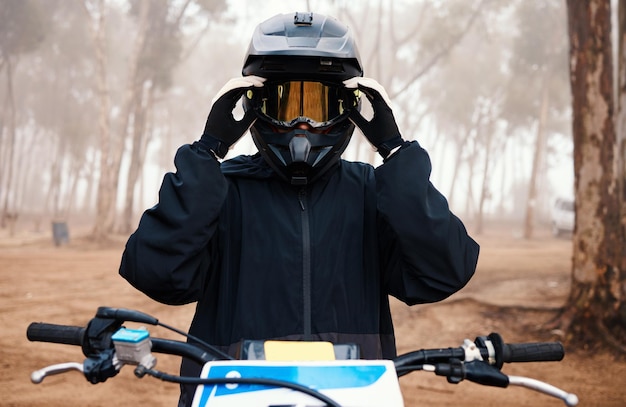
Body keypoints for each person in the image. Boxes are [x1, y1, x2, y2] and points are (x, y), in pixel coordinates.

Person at [119, 11, 480, 406]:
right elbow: (154, 273)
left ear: (349, 110)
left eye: (318, 104)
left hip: (351, 395)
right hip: (235, 397)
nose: (303, 125)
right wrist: (208, 152)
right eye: (286, 104)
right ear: (255, 109)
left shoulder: (373, 193)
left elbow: (446, 270)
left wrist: (394, 151)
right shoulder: (221, 192)